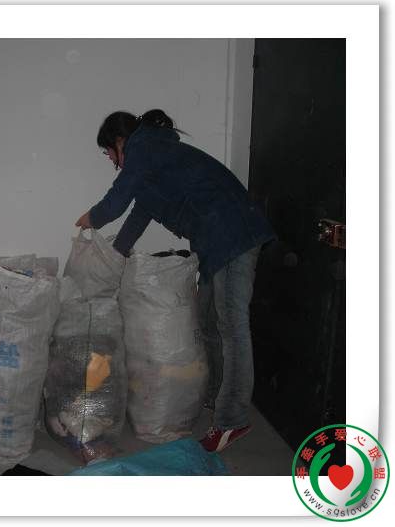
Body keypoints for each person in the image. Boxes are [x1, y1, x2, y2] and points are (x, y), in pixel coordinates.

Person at [75, 109, 276, 452]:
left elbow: (116, 202)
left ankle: (232, 420)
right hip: (213, 242)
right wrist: (110, 259)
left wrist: (90, 219)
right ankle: (215, 397)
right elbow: (138, 216)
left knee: (232, 328)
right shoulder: (154, 165)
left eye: (109, 152)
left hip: (234, 233)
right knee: (208, 324)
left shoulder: (144, 147)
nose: (112, 161)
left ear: (120, 140)